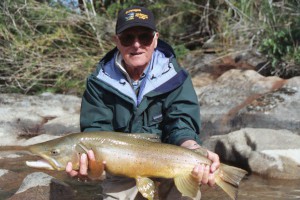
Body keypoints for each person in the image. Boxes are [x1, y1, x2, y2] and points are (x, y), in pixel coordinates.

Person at [66, 5, 220, 200]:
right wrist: (89, 166)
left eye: (144, 37)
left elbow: (181, 124)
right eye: (128, 38)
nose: (136, 44)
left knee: (188, 195)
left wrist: (192, 147)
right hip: (123, 170)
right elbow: (94, 131)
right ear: (117, 41)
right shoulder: (99, 83)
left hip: (171, 162)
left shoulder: (176, 78)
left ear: (155, 39)